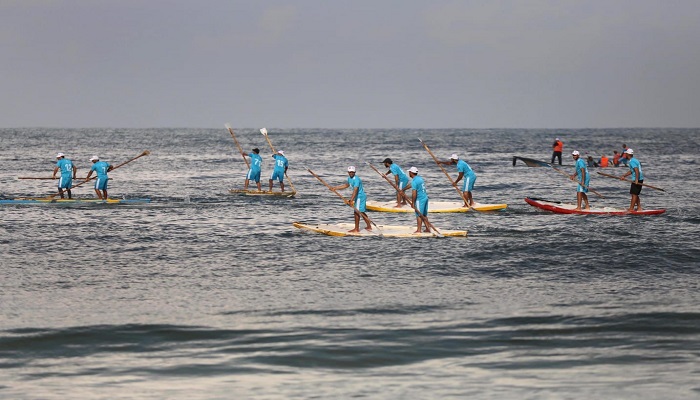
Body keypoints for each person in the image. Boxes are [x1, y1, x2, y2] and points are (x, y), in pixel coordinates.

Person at [332, 166, 372, 233]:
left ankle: (356, 229)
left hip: (360, 197)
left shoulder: (356, 179)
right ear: (348, 172)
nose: (351, 173)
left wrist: (351, 200)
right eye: (350, 172)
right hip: (357, 197)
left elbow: (355, 190)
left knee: (356, 212)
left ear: (355, 172)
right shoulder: (349, 178)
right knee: (361, 212)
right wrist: (335, 188)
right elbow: (346, 185)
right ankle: (369, 226)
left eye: (352, 172)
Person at [407, 166, 432, 234]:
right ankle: (427, 229)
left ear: (411, 173)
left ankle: (419, 230)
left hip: (419, 199)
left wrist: (413, 203)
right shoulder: (419, 179)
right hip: (425, 198)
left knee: (418, 215)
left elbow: (414, 193)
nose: (408, 173)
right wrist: (403, 189)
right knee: (424, 215)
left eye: (409, 172)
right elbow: (411, 185)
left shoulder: (415, 181)